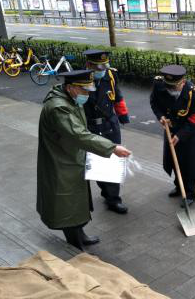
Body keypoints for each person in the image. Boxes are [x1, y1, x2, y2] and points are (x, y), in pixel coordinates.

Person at [37, 70, 132, 251]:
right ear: (71, 87)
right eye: (84, 91)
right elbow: (79, 135)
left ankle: (80, 235)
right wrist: (112, 148)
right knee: (67, 203)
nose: (88, 94)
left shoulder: (70, 99)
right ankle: (75, 245)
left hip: (71, 157)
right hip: (61, 162)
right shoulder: (59, 107)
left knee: (76, 199)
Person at [83, 49, 130, 214]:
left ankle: (114, 199)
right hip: (90, 127)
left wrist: (123, 116)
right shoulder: (81, 79)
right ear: (89, 65)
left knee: (112, 161)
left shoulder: (110, 75)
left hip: (109, 124)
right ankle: (105, 191)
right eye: (98, 68)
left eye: (104, 67)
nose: (102, 71)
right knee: (97, 163)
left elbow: (117, 96)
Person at [150, 65, 195, 208]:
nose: (171, 90)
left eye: (174, 87)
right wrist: (160, 116)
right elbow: (154, 103)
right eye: (169, 86)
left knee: (190, 164)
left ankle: (191, 193)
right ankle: (179, 187)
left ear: (183, 81)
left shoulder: (194, 93)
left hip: (189, 133)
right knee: (174, 161)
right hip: (170, 129)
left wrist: (180, 135)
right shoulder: (159, 85)